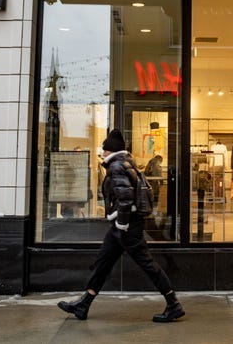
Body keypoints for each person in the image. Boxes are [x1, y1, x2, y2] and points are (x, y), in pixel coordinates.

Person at [57, 129, 185, 323]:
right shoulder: (125, 163)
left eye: (105, 149)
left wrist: (122, 224)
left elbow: (125, 199)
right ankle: (84, 304)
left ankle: (173, 304)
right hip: (122, 225)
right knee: (103, 261)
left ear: (111, 151)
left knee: (147, 264)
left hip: (126, 225)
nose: (102, 152)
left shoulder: (116, 166)